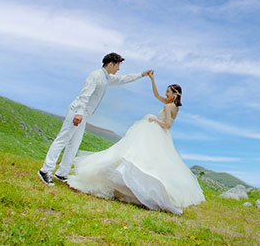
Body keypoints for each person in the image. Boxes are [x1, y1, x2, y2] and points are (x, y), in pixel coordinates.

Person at [66, 71, 205, 214]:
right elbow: (157, 96)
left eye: (168, 92)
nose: (166, 93)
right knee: (153, 162)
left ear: (175, 94)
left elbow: (167, 124)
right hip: (163, 137)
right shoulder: (173, 106)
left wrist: (154, 120)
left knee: (138, 155)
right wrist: (152, 80)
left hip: (159, 131)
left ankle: (137, 187)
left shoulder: (168, 107)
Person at [38, 52, 152, 185]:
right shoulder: (96, 75)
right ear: (111, 64)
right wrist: (79, 113)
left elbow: (123, 79)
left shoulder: (106, 78)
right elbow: (85, 95)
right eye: (118, 65)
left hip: (84, 115)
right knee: (62, 140)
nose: (119, 69)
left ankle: (62, 173)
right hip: (77, 112)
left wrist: (142, 74)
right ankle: (45, 170)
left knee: (74, 144)